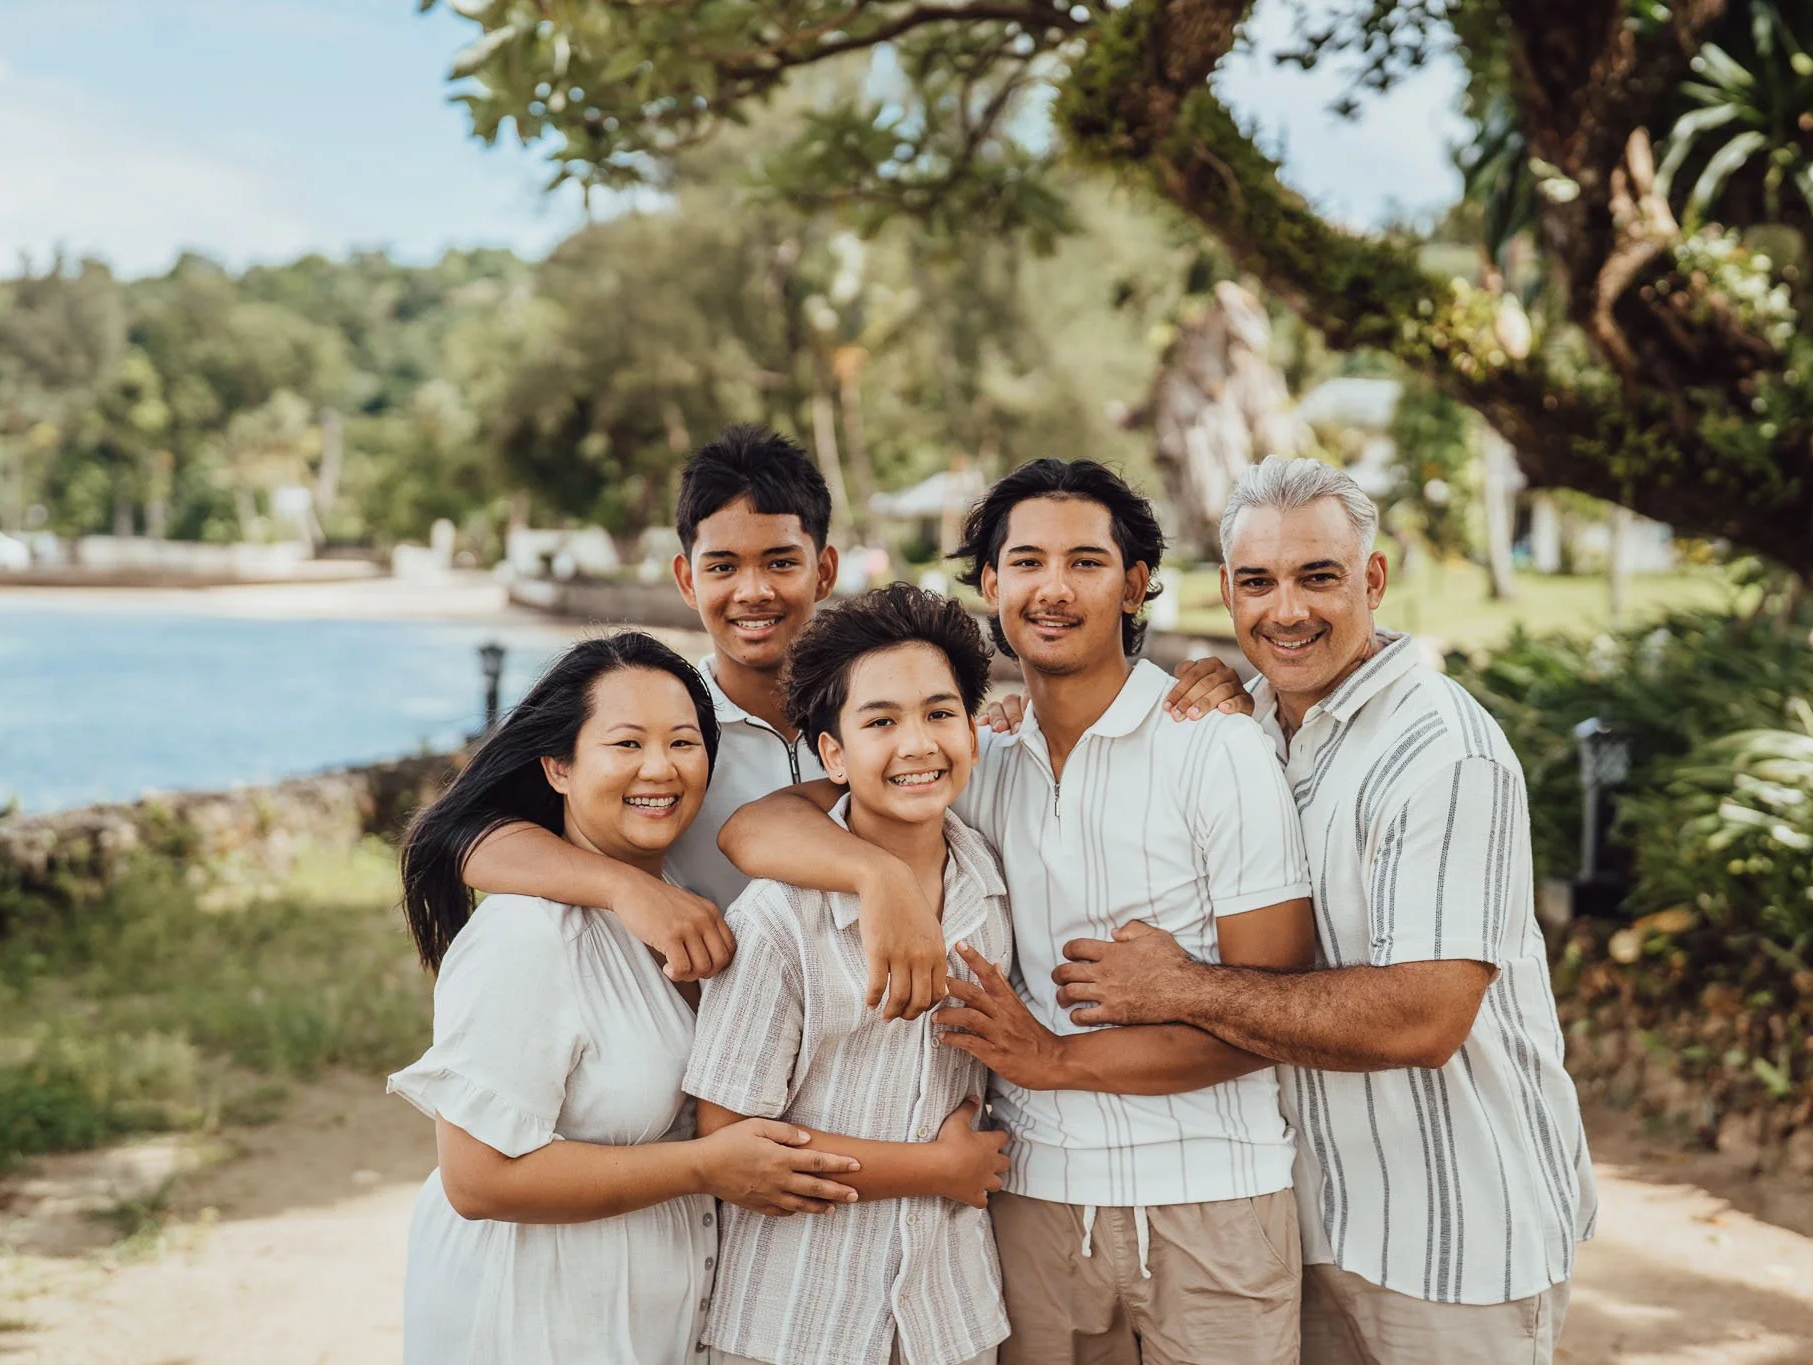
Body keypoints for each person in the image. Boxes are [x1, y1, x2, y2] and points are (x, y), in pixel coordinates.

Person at [721, 459, 1317, 1365]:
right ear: (992, 586)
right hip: (1031, 1204)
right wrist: (878, 880)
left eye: (1086, 562)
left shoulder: (1216, 747)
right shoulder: (981, 755)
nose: (1054, 588)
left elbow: (1279, 1008)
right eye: (1027, 562)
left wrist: (1055, 1058)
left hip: (1213, 1196)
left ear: (1135, 584)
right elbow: (754, 826)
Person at [1052, 456, 1598, 1365]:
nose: (1287, 610)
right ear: (1227, 591)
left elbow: (1424, 1015)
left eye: (1318, 577)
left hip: (1453, 1238)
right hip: (1301, 1228)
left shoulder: (1444, 752)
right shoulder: (1243, 726)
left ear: (1372, 579)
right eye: (1258, 582)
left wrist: (1182, 986)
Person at [460, 424, 1253, 1022]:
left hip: (874, 1063)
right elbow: (471, 834)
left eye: (781, 561)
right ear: (686, 579)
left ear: (825, 569)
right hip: (694, 1052)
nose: (753, 591)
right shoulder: (664, 724)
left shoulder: (895, 725)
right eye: (723, 567)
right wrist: (627, 889)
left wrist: (1218, 686)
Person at [387, 632, 864, 1364]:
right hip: (530, 1317)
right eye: (626, 743)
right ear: (558, 766)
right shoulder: (527, 934)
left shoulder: (687, 909)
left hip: (642, 1318)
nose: (660, 767)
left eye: (683, 742)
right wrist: (703, 1166)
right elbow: (477, 1179)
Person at [687, 583, 1014, 1365]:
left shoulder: (990, 886)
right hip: (796, 1324)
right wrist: (938, 1168)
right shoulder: (777, 919)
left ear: (973, 732)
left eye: (939, 714)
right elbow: (727, 1144)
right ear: (832, 754)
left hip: (952, 1319)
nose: (917, 744)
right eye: (881, 722)